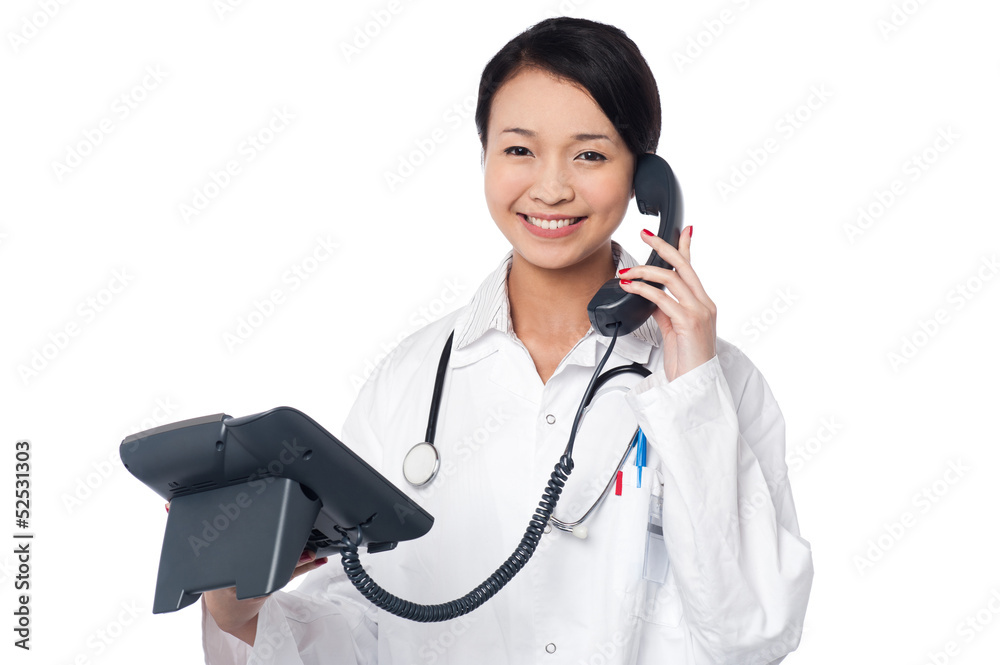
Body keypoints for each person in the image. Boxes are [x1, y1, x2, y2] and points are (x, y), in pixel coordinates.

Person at [200, 16, 814, 664]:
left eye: (590, 154)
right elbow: (358, 633)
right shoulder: (410, 380)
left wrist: (691, 394)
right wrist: (239, 611)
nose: (550, 187)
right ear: (486, 156)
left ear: (646, 180)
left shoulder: (721, 384)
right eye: (520, 150)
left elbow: (752, 635)